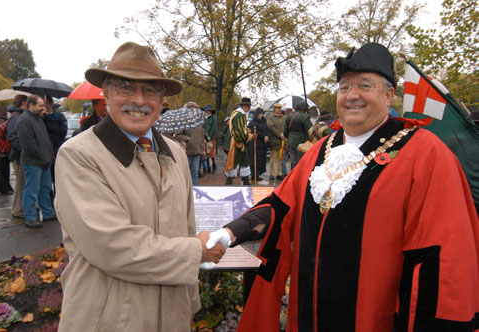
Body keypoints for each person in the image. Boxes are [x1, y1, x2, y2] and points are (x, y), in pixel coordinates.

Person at [205, 43, 479, 331]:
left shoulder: (425, 154)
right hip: (307, 318)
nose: (352, 96)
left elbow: (441, 260)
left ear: (388, 95)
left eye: (365, 85)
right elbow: (281, 206)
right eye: (344, 87)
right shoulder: (322, 149)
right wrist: (229, 232)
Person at [54, 42, 225, 332]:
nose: (139, 100)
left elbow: (186, 227)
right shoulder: (78, 155)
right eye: (125, 87)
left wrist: (189, 305)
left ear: (162, 99)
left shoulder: (175, 153)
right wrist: (196, 252)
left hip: (171, 316)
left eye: (150, 90)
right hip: (108, 320)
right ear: (105, 92)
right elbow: (112, 247)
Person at [16, 95, 56, 228]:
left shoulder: (38, 119)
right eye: (40, 106)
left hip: (44, 161)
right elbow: (28, 144)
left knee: (45, 189)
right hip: (33, 162)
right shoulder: (24, 120)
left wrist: (48, 157)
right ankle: (30, 217)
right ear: (31, 105)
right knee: (31, 190)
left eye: (43, 106)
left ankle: (48, 213)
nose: (43, 108)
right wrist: (41, 156)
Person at [224, 97, 256, 185]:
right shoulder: (239, 115)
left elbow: (242, 129)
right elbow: (239, 132)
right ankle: (229, 180)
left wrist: (248, 132)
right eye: (248, 106)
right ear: (244, 106)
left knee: (244, 160)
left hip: (239, 142)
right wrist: (249, 136)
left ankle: (245, 180)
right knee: (235, 160)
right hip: (237, 142)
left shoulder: (239, 114)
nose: (249, 108)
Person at [7, 94, 28, 218]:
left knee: (22, 183)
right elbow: (13, 136)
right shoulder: (16, 117)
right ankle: (17, 210)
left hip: (19, 154)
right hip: (18, 156)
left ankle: (21, 208)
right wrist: (23, 149)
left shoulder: (16, 116)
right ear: (23, 102)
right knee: (20, 184)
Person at [42, 96, 67, 195]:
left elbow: (63, 131)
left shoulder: (59, 116)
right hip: (46, 152)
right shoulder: (41, 118)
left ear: (50, 104)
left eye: (45, 104)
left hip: (57, 150)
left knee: (58, 178)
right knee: (47, 181)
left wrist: (49, 125)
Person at [182, 101, 206, 185]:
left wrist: (202, 148)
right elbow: (178, 135)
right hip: (187, 150)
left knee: (195, 171)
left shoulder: (199, 121)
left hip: (197, 151)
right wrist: (188, 139)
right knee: (186, 172)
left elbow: (202, 136)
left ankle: (194, 188)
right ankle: (186, 188)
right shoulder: (183, 121)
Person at [284, 100, 312, 170]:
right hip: (301, 142)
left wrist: (289, 137)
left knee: (293, 161)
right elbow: (310, 131)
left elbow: (285, 132)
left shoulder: (289, 116)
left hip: (290, 141)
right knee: (301, 161)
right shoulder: (305, 117)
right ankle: (299, 178)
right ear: (304, 109)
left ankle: (292, 177)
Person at [0, 106, 13, 195]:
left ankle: (3, 187)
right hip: (2, 150)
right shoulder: (0, 121)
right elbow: (3, 134)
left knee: (2, 170)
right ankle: (4, 188)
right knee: (3, 170)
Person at [248, 107, 270, 181]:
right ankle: (254, 175)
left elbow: (267, 129)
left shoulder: (264, 121)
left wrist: (267, 135)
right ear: (257, 114)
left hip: (262, 145)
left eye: (262, 114)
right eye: (260, 114)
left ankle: (258, 175)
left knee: (261, 161)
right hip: (255, 144)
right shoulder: (253, 123)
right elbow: (254, 132)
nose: (262, 115)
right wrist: (263, 136)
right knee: (255, 160)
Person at [267, 103, 286, 181]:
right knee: (273, 158)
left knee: (280, 158)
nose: (279, 109)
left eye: (280, 108)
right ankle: (272, 174)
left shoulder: (283, 118)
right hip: (274, 141)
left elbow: (285, 127)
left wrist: (284, 135)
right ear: (274, 109)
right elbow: (271, 127)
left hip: (282, 141)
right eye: (278, 108)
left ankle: (279, 174)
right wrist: (279, 134)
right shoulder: (271, 118)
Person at [203, 103, 218, 173]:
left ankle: (214, 165)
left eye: (208, 110)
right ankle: (208, 167)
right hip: (204, 138)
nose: (207, 112)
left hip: (211, 138)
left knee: (211, 153)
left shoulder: (214, 118)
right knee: (206, 153)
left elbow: (214, 129)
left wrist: (209, 138)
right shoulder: (204, 118)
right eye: (206, 110)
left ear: (211, 111)